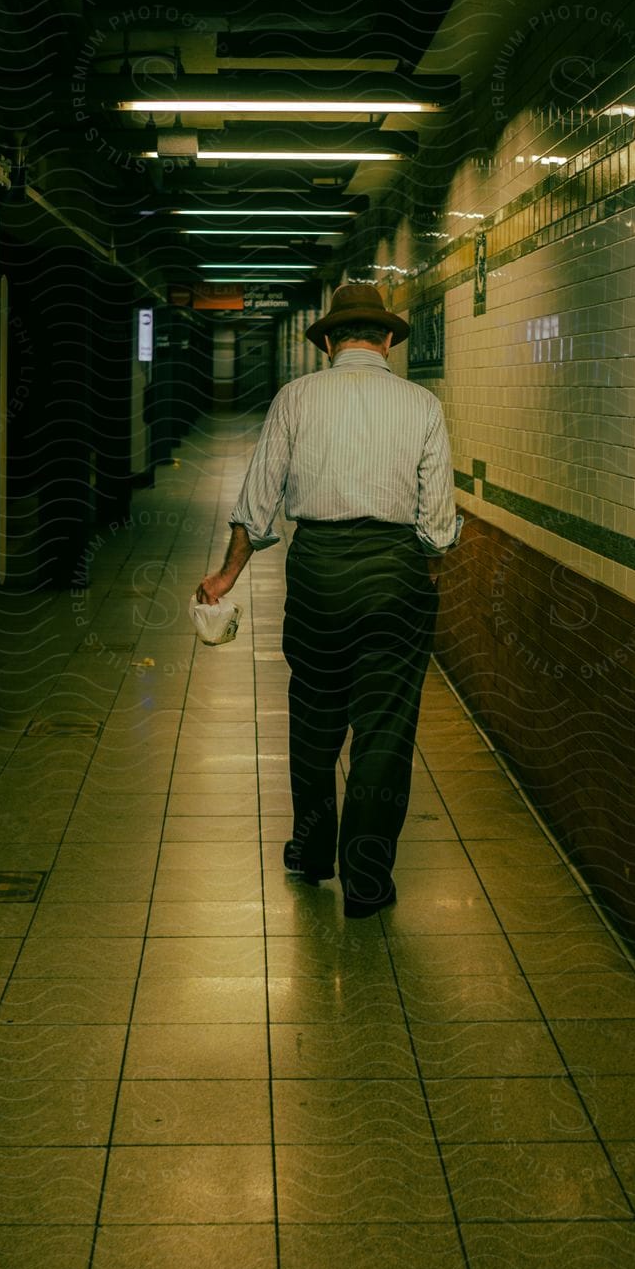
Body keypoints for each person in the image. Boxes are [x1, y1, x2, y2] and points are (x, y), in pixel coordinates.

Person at [197, 281, 462, 918]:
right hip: (394, 575)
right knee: (384, 732)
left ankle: (312, 852)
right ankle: (367, 882)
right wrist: (420, 574)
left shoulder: (296, 399)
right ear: (390, 341)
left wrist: (227, 576)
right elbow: (437, 526)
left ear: (327, 345)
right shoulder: (422, 405)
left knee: (315, 721)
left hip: (315, 573)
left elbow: (258, 502)